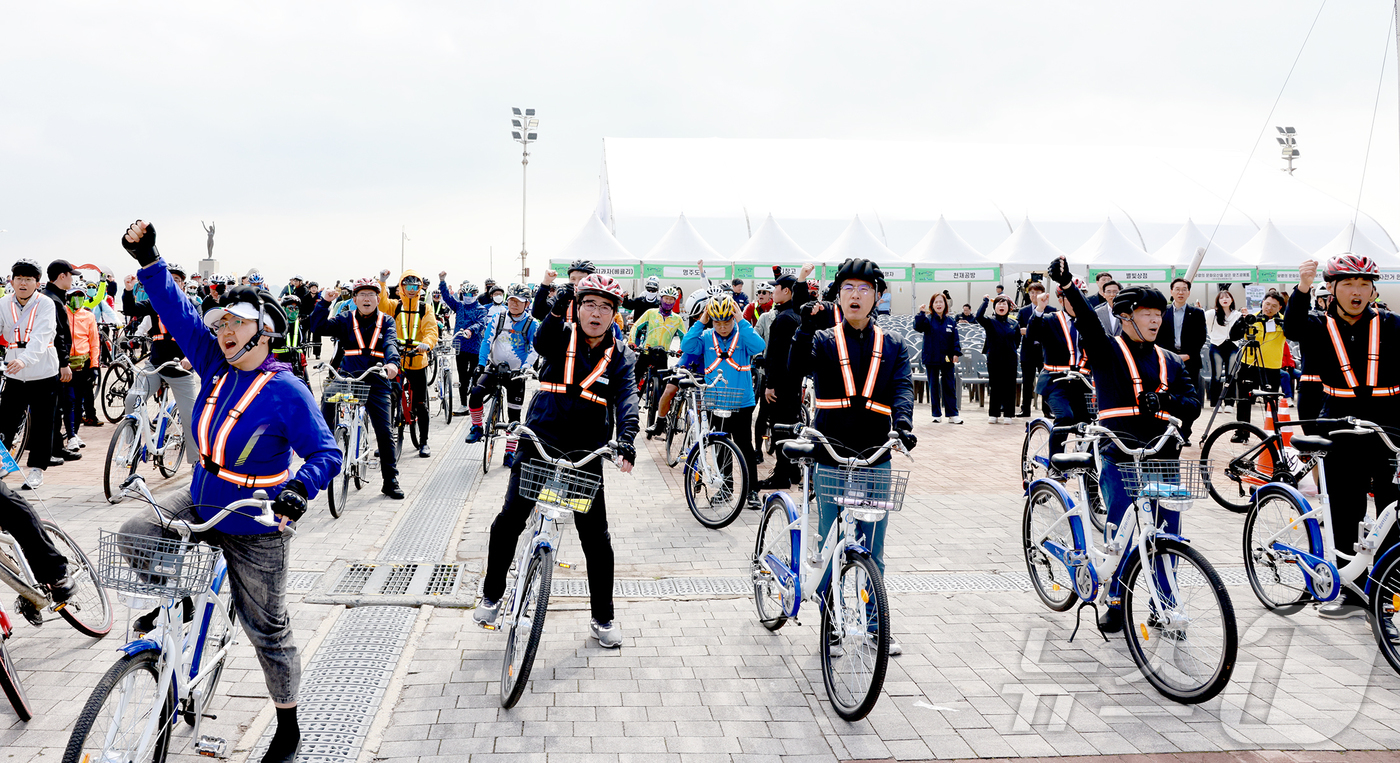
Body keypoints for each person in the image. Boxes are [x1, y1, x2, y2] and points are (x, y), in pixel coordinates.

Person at [119, 220, 340, 763]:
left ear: (265, 334)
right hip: (201, 496)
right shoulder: (215, 364)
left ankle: (288, 726)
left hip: (256, 520)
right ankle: (183, 594)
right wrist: (149, 257)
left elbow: (326, 453)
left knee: (268, 630)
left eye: (239, 323)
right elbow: (176, 311)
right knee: (137, 532)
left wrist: (299, 489)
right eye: (223, 321)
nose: (224, 330)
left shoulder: (286, 390)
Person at [473, 274, 638, 648]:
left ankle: (603, 617)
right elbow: (540, 341)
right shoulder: (561, 335)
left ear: (615, 315)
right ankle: (492, 595)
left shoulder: (622, 355)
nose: (596, 314)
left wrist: (626, 440)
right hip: (540, 439)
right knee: (509, 519)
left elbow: (627, 398)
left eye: (605, 308)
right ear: (577, 308)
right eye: (589, 305)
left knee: (596, 539)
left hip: (586, 450)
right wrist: (555, 304)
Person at [1047, 256, 1200, 634]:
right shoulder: (1107, 350)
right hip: (1120, 454)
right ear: (1126, 317)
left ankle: (1163, 604)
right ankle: (1114, 599)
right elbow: (1086, 321)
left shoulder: (1171, 360)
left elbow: (1193, 404)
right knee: (1122, 530)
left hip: (1163, 457)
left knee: (1167, 533)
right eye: (1146, 313)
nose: (1155, 320)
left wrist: (1163, 403)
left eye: (1159, 314)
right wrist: (1068, 287)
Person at [788, 258, 917, 654]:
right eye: (848, 289)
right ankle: (830, 625)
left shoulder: (893, 344)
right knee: (831, 542)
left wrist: (904, 424)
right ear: (838, 297)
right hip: (830, 451)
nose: (856, 295)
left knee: (872, 547)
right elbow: (795, 371)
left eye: (864, 288)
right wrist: (803, 330)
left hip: (876, 452)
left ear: (877, 295)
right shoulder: (824, 339)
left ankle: (876, 625)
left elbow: (902, 387)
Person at [1285, 255, 1400, 619]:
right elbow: (1291, 328)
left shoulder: (1392, 324)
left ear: (1373, 290)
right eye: (1349, 285)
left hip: (1388, 427)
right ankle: (1351, 592)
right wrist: (1302, 286)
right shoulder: (1319, 325)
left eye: (1364, 286)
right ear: (1332, 289)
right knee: (1347, 509)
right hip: (1340, 426)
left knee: (1391, 509)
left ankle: (1387, 589)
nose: (1357, 292)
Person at [305, 279, 405, 499]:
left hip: (376, 380)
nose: (367, 299)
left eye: (371, 294)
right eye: (362, 295)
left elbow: (390, 343)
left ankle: (390, 480)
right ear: (354, 299)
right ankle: (326, 449)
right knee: (328, 400)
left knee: (384, 432)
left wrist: (392, 364)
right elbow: (317, 327)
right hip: (349, 379)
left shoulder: (386, 321)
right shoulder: (344, 319)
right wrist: (323, 303)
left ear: (378, 299)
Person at [681, 294, 765, 507]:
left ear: (733, 317)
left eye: (726, 320)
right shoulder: (707, 337)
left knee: (745, 446)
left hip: (741, 402)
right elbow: (688, 346)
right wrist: (701, 321)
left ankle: (752, 491)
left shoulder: (743, 336)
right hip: (714, 401)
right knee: (720, 447)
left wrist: (741, 320)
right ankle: (726, 489)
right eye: (716, 321)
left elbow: (759, 346)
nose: (722, 326)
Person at [123, 263, 200, 468]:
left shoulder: (191, 304)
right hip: (155, 365)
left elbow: (200, 334)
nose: (172, 283)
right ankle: (131, 447)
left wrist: (190, 360)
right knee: (132, 398)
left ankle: (196, 463)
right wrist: (128, 290)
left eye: (176, 280)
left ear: (183, 285)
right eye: (169, 280)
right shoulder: (154, 302)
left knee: (190, 415)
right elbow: (131, 309)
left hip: (180, 369)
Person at [0, 259, 64, 487]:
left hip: (42, 371)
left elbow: (42, 335)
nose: (23, 283)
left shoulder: (45, 304)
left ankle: (37, 469)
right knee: (5, 421)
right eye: (19, 279)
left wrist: (25, 360)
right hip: (14, 373)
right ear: (12, 281)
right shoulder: (3, 303)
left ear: (37, 283)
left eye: (28, 279)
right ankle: (2, 463)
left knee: (43, 423)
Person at [756, 263, 817, 489]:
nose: (772, 292)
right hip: (794, 382)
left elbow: (777, 355)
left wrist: (770, 385)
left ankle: (781, 475)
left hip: (781, 383)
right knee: (790, 426)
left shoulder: (783, 319)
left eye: (776, 288)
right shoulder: (796, 316)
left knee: (780, 428)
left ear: (787, 291)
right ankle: (792, 472)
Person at [465, 284, 538, 467]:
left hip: (516, 374)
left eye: (519, 301)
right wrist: (481, 364)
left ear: (527, 303)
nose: (514, 304)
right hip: (495, 367)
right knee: (475, 394)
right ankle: (477, 427)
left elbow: (534, 349)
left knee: (514, 417)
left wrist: (526, 367)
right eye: (511, 300)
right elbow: (486, 341)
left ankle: (509, 453)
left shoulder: (532, 323)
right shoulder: (499, 317)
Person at [377, 269, 439, 458]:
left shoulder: (425, 308)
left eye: (415, 286)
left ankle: (424, 442)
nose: (411, 290)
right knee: (388, 401)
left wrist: (426, 344)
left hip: (418, 361)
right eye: (407, 285)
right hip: (396, 360)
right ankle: (386, 443)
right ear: (401, 287)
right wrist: (382, 283)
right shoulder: (394, 306)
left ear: (420, 288)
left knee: (420, 403)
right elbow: (381, 305)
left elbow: (431, 330)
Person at [1026, 283, 1091, 457]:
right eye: (1072, 297)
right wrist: (1039, 308)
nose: (1078, 301)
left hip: (1082, 382)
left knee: (1092, 423)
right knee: (1065, 417)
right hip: (1056, 381)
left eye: (1082, 295)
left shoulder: (1090, 321)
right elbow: (1032, 334)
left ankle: (1088, 465)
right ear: (1061, 300)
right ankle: (1056, 463)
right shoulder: (1050, 319)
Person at [1156, 278, 1207, 438]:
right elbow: (1157, 335)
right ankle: (1169, 427)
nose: (1180, 292)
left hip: (1190, 360)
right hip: (1167, 359)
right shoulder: (1163, 311)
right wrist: (1170, 356)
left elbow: (1201, 337)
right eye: (1177, 289)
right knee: (1168, 392)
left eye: (1184, 289)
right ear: (1171, 292)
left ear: (1189, 292)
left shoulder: (1197, 313)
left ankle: (1186, 429)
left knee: (1189, 395)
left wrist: (1188, 355)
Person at [1228, 291, 1286, 433]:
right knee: (1243, 399)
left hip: (1272, 365)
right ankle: (1241, 431)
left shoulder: (1285, 321)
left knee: (1271, 400)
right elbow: (1233, 336)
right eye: (1267, 304)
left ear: (1280, 307)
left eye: (1274, 306)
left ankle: (1272, 431)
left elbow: (1295, 335)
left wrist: (1284, 325)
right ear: (1262, 303)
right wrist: (1241, 321)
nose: (1269, 308)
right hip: (1249, 364)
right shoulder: (1252, 319)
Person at [43, 260, 79, 462]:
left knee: (56, 406)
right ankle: (49, 450)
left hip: (52, 360)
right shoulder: (52, 300)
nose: (72, 279)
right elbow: (57, 336)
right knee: (52, 407)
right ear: (62, 276)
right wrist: (64, 363)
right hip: (54, 362)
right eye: (70, 275)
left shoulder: (53, 297)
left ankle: (55, 447)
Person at [437, 275, 490, 413]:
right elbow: (447, 298)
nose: (467, 296)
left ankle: (476, 403)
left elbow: (481, 323)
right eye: (465, 294)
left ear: (475, 295)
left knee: (474, 376)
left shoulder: (481, 309)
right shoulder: (459, 306)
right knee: (462, 377)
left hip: (474, 347)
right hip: (460, 346)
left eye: (470, 294)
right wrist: (442, 282)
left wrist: (470, 330)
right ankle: (464, 404)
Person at [61, 286, 101, 450]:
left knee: (78, 402)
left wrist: (95, 365)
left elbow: (94, 342)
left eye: (80, 296)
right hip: (65, 363)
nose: (77, 299)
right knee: (67, 401)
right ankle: (69, 435)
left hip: (83, 364)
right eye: (73, 296)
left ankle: (74, 434)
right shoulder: (61, 313)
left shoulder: (88, 316)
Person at [914, 291, 962, 423]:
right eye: (936, 302)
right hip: (931, 357)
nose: (939, 304)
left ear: (945, 304)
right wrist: (921, 313)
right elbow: (918, 327)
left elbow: (955, 339)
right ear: (932, 305)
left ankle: (952, 414)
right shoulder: (927, 320)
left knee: (949, 385)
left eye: (941, 302)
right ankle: (936, 414)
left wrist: (956, 353)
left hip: (946, 358)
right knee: (933, 386)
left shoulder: (951, 321)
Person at [976, 293, 1020, 423]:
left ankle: (1008, 414)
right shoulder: (990, 322)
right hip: (994, 359)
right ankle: (994, 414)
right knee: (995, 386)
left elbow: (1017, 341)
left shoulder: (1014, 323)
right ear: (995, 307)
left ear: (1008, 307)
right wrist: (985, 301)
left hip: (1010, 360)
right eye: (999, 303)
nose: (1002, 306)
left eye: (1004, 304)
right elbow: (978, 316)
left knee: (1010, 386)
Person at [1204, 288, 1242, 408]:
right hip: (1217, 346)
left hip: (1232, 346)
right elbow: (1201, 318)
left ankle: (1230, 403)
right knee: (1217, 375)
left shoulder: (1238, 314)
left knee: (1231, 376)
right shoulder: (1212, 314)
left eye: (1227, 297)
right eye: (1222, 297)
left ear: (1232, 300)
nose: (1224, 299)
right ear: (1218, 300)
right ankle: (1216, 403)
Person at [1016, 282, 1050, 417]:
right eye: (1032, 293)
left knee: (1047, 381)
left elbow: (1050, 329)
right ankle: (1025, 409)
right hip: (1028, 351)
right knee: (1027, 381)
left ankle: (1047, 410)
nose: (1034, 295)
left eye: (1037, 292)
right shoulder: (1023, 311)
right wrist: (1031, 330)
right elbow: (1019, 329)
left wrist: (1029, 330)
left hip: (1044, 351)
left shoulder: (1050, 309)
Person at [272, 294, 309, 383]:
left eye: (296, 308)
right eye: (291, 307)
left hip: (298, 361)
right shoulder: (276, 325)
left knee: (305, 385)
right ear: (283, 308)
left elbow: (316, 318)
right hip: (279, 362)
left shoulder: (300, 324)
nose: (294, 310)